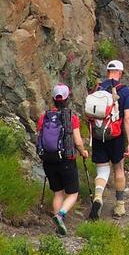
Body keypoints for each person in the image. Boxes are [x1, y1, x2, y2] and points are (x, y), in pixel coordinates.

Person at [84, 61, 129, 219]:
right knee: (118, 168)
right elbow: (127, 118)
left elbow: (88, 115)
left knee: (102, 169)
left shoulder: (97, 89)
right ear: (119, 73)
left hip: (99, 135)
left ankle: (98, 197)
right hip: (116, 135)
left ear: (108, 72)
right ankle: (120, 206)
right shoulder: (124, 91)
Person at [35, 84, 88, 235]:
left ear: (53, 99)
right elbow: (77, 141)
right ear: (67, 99)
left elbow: (39, 137)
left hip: (48, 160)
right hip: (66, 159)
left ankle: (58, 227)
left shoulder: (44, 117)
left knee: (58, 193)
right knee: (73, 193)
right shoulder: (71, 117)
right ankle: (60, 215)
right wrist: (83, 152)